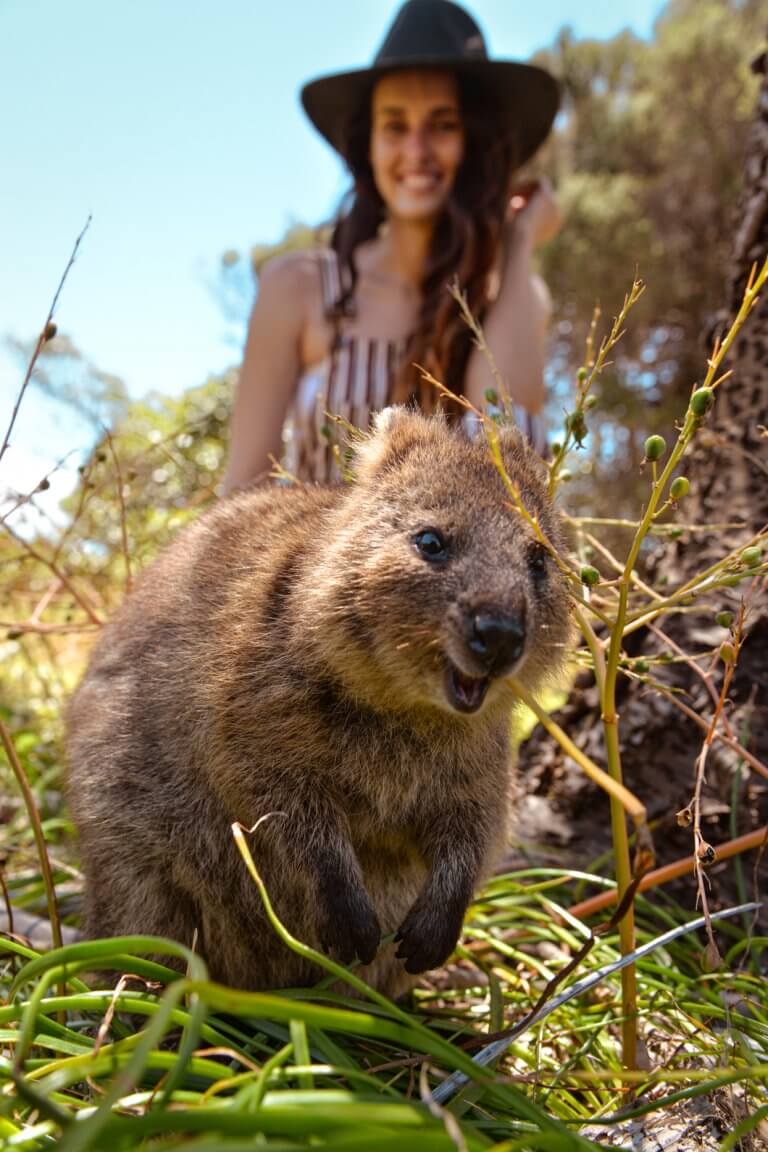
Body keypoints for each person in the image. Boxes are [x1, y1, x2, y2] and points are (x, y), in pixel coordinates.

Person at [223, 0, 561, 492]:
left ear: (475, 144)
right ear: (369, 144)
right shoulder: (299, 288)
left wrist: (518, 238)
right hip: (313, 567)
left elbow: (512, 465)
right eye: (395, 125)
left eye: (443, 124)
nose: (416, 151)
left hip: (468, 570)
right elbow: (242, 495)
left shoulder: (513, 299)